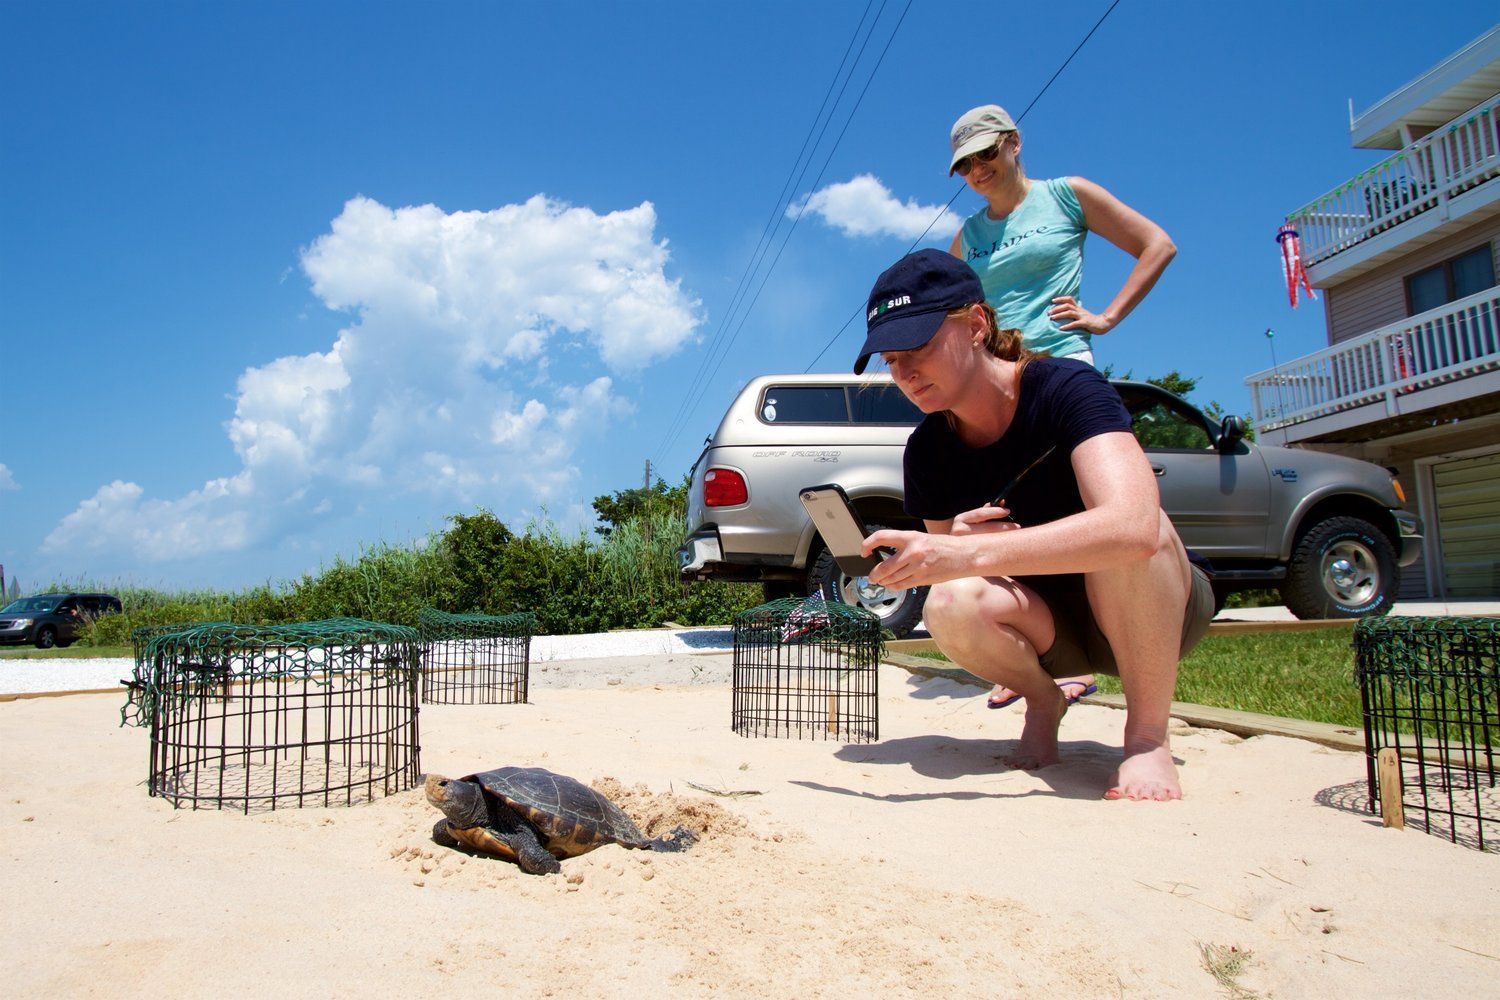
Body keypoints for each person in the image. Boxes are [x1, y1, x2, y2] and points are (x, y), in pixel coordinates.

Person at [853, 249, 1213, 800]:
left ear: (976, 324)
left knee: (1144, 531)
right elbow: (949, 570)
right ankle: (1044, 700)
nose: (904, 373)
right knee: (949, 603)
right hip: (1049, 627)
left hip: (1156, 612)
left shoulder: (1067, 388)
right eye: (890, 359)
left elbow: (1136, 527)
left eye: (920, 347)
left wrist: (975, 553)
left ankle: (1145, 739)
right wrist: (950, 551)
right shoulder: (928, 450)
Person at [946, 103, 1178, 710]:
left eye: (986, 155)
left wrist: (1106, 317)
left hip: (1061, 371)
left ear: (1014, 143)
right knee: (1007, 517)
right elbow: (945, 313)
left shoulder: (1067, 195)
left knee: (1091, 513)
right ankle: (1039, 655)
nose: (977, 170)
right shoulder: (967, 237)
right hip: (995, 383)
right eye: (965, 164)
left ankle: (1093, 659)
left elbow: (1156, 244)